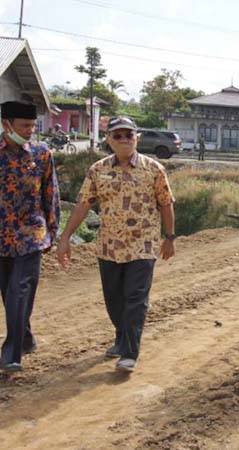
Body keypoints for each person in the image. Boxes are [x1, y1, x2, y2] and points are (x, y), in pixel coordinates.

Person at [58, 116, 176, 373]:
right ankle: (121, 336)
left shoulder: (154, 169)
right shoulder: (97, 170)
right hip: (109, 246)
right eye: (118, 136)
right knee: (114, 299)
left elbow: (166, 204)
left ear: (137, 138)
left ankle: (129, 352)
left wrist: (169, 237)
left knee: (135, 298)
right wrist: (65, 238)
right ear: (109, 140)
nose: (124, 140)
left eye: (129, 135)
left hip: (142, 245)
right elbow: (83, 205)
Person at [0, 101, 61, 372]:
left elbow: (51, 193)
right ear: (7, 124)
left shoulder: (41, 153)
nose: (30, 131)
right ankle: (25, 338)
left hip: (31, 235)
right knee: (8, 293)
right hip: (2, 236)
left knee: (19, 291)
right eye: (24, 126)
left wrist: (52, 232)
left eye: (33, 126)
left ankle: (11, 354)